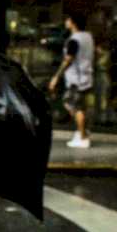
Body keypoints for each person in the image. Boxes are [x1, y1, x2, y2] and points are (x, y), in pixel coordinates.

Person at [49, 13, 95, 149]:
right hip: (87, 76)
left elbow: (68, 59)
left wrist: (56, 76)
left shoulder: (74, 40)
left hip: (76, 79)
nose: (66, 22)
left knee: (73, 105)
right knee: (79, 106)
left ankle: (83, 137)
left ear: (73, 23)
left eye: (68, 20)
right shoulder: (88, 37)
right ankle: (82, 132)